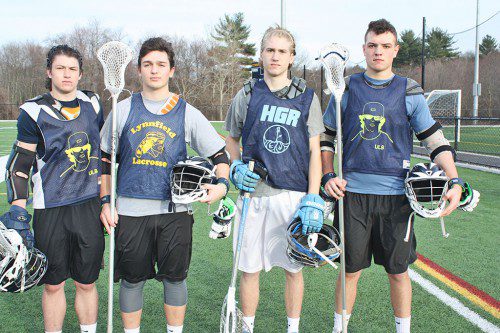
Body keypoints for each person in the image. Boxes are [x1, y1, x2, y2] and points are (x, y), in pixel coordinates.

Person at [321, 19, 467, 333]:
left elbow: (434, 140)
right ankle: (339, 329)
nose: (378, 51)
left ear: (395, 50)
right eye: (372, 45)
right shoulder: (346, 87)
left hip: (397, 198)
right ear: (364, 48)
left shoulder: (409, 90)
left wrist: (454, 179)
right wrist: (327, 175)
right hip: (352, 196)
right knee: (349, 271)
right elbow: (325, 137)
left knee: (398, 272)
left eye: (385, 46)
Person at [99, 37, 230, 333]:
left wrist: (221, 184)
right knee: (132, 280)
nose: (154, 71)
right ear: (139, 69)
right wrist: (105, 201)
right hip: (130, 211)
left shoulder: (187, 112)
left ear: (171, 70)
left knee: (175, 278)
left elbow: (221, 155)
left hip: (175, 212)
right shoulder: (122, 110)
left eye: (161, 65)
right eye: (148, 65)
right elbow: (104, 158)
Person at [224, 26, 325, 333]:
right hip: (254, 194)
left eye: (282, 51)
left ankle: (292, 328)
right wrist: (234, 166)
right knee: (249, 268)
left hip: (292, 196)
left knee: (294, 269)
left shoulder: (307, 98)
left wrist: (313, 196)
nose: (275, 56)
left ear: (292, 57)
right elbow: (231, 141)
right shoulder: (247, 94)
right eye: (270, 50)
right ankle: (248, 326)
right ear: (261, 54)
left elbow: (314, 152)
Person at [2, 45, 104, 333]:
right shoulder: (33, 111)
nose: (67, 74)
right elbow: (20, 166)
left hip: (88, 204)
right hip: (51, 207)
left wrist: (107, 199)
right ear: (49, 72)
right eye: (60, 68)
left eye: (72, 69)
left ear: (80, 73)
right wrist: (18, 209)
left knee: (87, 282)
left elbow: (107, 151)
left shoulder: (94, 104)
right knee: (53, 283)